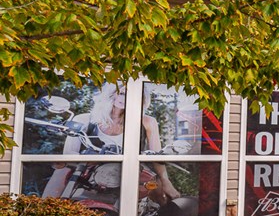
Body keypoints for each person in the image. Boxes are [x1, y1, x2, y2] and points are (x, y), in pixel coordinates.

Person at [42, 83, 181, 201]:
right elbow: (69, 153)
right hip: (90, 170)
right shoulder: (85, 119)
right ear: (111, 94)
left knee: (158, 191)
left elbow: (157, 156)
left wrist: (166, 180)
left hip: (130, 170)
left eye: (130, 95)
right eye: (121, 93)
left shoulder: (147, 122)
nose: (124, 98)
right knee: (62, 172)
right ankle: (45, 212)